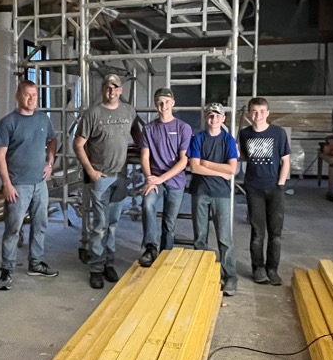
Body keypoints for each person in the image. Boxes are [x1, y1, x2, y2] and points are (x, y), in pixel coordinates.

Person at [73, 73, 141, 290]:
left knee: (112, 224)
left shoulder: (128, 111)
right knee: (100, 226)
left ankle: (108, 263)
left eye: (115, 87)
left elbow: (138, 136)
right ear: (103, 89)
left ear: (121, 90)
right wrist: (91, 171)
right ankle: (96, 267)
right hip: (101, 178)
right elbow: (78, 144)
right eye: (108, 87)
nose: (112, 91)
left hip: (120, 176)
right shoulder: (92, 114)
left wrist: (147, 156)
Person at [0, 79, 60, 290]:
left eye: (34, 95)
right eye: (27, 95)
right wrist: (7, 184)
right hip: (18, 185)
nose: (31, 99)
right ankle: (6, 270)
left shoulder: (43, 119)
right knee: (13, 229)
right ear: (18, 96)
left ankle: (36, 263)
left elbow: (52, 140)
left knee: (40, 225)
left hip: (40, 183)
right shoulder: (8, 123)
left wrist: (50, 163)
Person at [238, 96, 292, 286]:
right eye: (254, 111)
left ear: (268, 113)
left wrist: (280, 184)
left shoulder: (278, 133)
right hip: (254, 188)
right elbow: (243, 157)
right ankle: (258, 268)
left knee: (275, 233)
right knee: (257, 231)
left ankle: (272, 269)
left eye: (261, 111)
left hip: (275, 188)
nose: (258, 115)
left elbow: (286, 161)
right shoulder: (244, 134)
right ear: (249, 114)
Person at [188, 102, 239, 296]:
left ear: (223, 118)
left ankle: (230, 275)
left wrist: (207, 163)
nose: (214, 119)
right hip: (200, 191)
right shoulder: (198, 138)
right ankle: (201, 272)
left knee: (224, 238)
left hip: (221, 194)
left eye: (217, 115)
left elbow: (232, 169)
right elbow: (194, 167)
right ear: (205, 118)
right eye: (210, 115)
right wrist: (221, 171)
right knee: (200, 236)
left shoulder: (228, 140)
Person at [138, 87, 192, 267]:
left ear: (173, 103)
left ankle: (165, 254)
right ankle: (151, 247)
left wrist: (161, 178)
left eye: (167, 102)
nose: (164, 106)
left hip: (175, 180)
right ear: (156, 105)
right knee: (147, 204)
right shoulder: (149, 128)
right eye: (160, 102)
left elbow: (183, 161)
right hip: (154, 179)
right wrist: (149, 178)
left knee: (169, 222)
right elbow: (145, 157)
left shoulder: (183, 128)